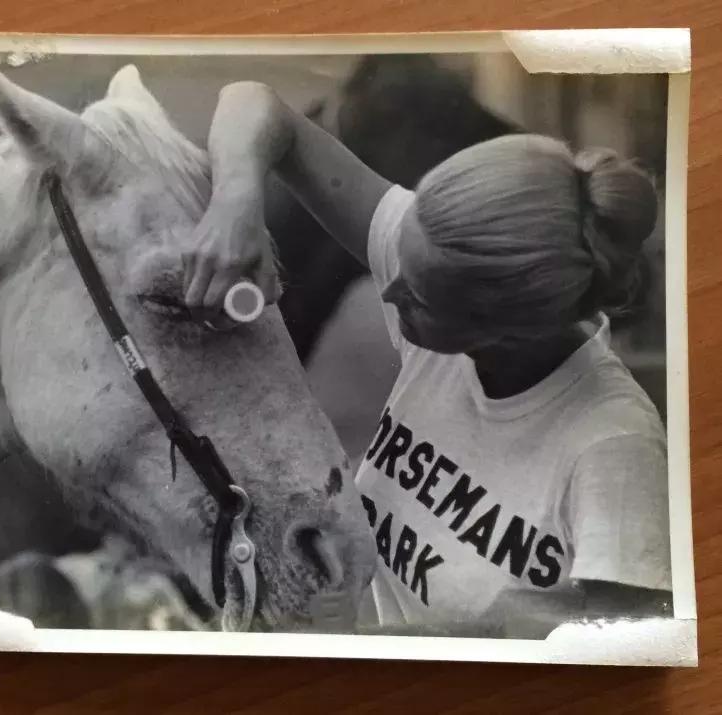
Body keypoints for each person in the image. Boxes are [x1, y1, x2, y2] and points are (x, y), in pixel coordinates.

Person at [181, 80, 671, 637]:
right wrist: (236, 205)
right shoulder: (435, 256)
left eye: (418, 296)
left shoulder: (612, 446)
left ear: (501, 328)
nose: (390, 292)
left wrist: (376, 647)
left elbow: (630, 649)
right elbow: (255, 103)